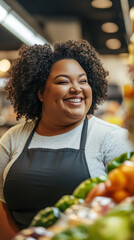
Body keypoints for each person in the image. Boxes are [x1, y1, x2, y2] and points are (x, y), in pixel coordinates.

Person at [0, 39, 133, 239]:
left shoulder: (111, 138)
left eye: (83, 80)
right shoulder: (14, 137)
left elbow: (126, 208)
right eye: (63, 81)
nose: (76, 88)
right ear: (40, 93)